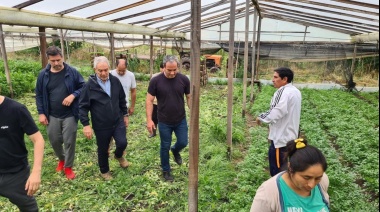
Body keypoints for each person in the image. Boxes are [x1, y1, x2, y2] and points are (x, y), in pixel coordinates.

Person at [35, 46, 85, 180]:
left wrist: (73, 95)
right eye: (53, 61)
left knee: (69, 141)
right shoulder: (43, 75)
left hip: (70, 114)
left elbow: (83, 86)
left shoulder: (72, 72)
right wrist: (41, 113)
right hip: (51, 114)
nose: (56, 63)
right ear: (48, 59)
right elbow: (39, 94)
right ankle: (61, 159)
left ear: (62, 57)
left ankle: (68, 166)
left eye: (58, 60)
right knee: (54, 140)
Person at [79, 56, 130, 180]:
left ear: (109, 68)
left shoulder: (115, 81)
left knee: (122, 142)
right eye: (100, 71)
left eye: (106, 70)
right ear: (95, 69)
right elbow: (83, 106)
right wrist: (86, 124)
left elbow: (121, 99)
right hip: (101, 124)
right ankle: (105, 171)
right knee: (103, 148)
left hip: (117, 120)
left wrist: (125, 114)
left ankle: (118, 155)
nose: (103, 73)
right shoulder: (89, 86)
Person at [250, 139, 330, 212]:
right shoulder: (268, 192)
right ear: (290, 168)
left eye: (318, 178)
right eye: (306, 177)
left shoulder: (322, 181)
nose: (311, 184)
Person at [146, 55, 191, 181]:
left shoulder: (183, 79)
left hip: (180, 119)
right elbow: (149, 100)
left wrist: (193, 113)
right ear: (163, 67)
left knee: (183, 142)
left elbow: (189, 97)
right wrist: (149, 120)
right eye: (169, 70)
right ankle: (166, 170)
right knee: (164, 146)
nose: (172, 73)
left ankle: (175, 150)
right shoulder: (156, 81)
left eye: (174, 70)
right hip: (164, 120)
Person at [0, 95, 45, 212]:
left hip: (15, 174)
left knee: (28, 208)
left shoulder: (16, 109)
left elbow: (38, 140)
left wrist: (36, 172)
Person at [256, 67, 301, 176]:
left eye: (276, 77)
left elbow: (277, 110)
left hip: (281, 139)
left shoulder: (283, 92)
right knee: (287, 168)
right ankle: (286, 188)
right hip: (290, 136)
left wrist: (261, 117)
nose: (273, 80)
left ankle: (278, 190)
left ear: (285, 79)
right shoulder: (295, 91)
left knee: (277, 171)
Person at [149, 62, 165, 138]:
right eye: (162, 68)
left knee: (163, 118)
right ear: (160, 68)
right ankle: (153, 132)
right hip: (155, 102)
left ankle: (164, 133)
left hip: (165, 102)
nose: (163, 70)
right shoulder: (155, 77)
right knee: (154, 117)